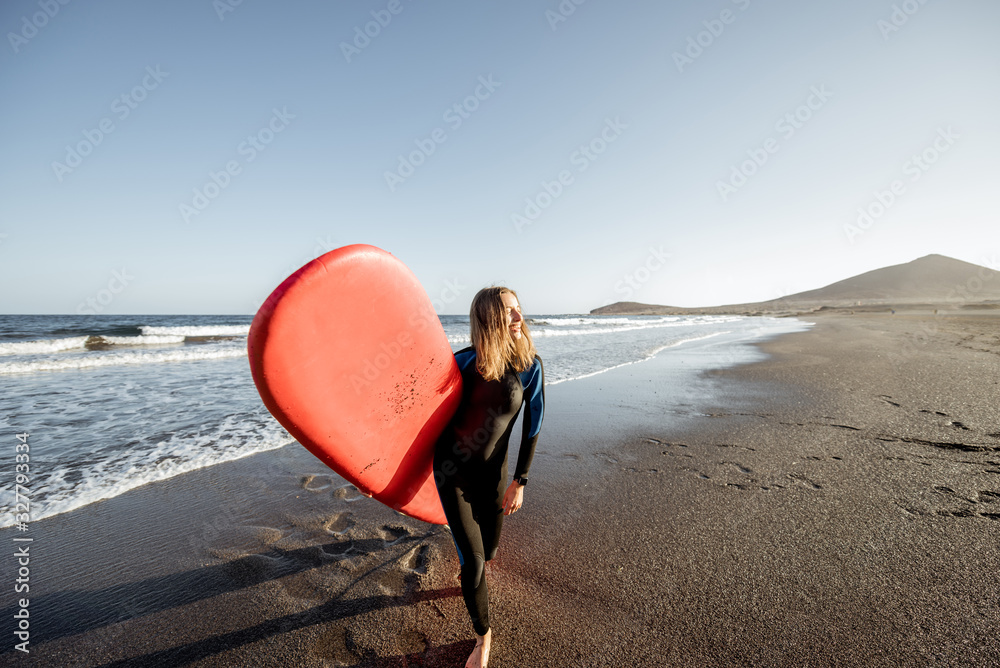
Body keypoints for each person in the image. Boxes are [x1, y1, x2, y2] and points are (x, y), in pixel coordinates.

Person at [433, 286, 545, 668]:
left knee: (490, 553)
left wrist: (521, 481)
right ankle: (483, 636)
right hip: (452, 473)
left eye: (518, 309)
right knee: (475, 563)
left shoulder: (530, 366)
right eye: (508, 312)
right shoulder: (462, 363)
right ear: (487, 319)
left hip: (494, 478)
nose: (518, 318)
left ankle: (470, 556)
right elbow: (417, 418)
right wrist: (375, 472)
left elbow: (533, 426)